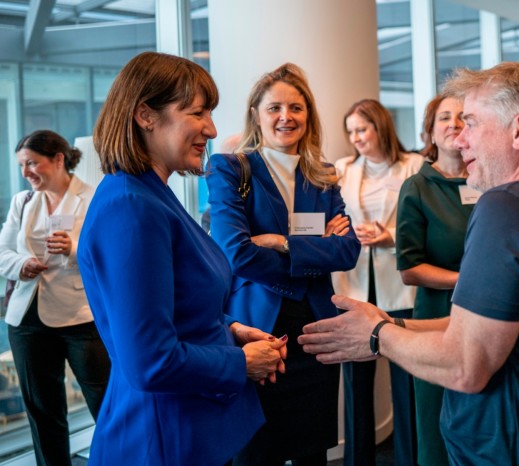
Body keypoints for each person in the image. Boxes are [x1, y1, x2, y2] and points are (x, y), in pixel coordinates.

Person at [300, 62, 519, 466]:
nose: (459, 140)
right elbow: (489, 327)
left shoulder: (506, 206)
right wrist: (393, 323)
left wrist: (376, 336)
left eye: (472, 123)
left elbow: (466, 365)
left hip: (510, 447)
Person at [77, 51, 286, 466]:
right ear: (145, 115)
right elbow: (150, 360)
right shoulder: (131, 206)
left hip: (186, 428)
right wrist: (239, 362)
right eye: (197, 113)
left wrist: (232, 329)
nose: (210, 128)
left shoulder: (149, 194)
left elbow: (173, 305)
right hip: (162, 438)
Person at [206, 63, 361, 466]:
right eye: (274, 107)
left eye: (296, 108)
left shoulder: (323, 175)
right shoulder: (231, 168)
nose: (285, 117)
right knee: (257, 453)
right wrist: (314, 250)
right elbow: (234, 252)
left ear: (308, 116)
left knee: (314, 453)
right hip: (259, 331)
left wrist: (281, 243)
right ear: (256, 113)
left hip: (315, 331)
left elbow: (348, 251)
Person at [0, 130, 110, 466]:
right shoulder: (22, 202)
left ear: (58, 159)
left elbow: (109, 254)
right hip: (26, 319)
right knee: (42, 410)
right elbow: (2, 252)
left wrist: (74, 249)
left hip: (80, 316)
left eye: (32, 163)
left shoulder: (93, 199)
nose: (26, 173)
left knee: (103, 400)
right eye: (22, 166)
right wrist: (22, 264)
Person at [333, 98, 423, 466]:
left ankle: (409, 458)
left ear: (380, 127)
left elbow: (421, 226)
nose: (355, 137)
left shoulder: (413, 166)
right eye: (350, 131)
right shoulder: (342, 169)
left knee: (406, 382)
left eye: (362, 129)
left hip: (399, 285)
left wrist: (389, 237)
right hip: (353, 285)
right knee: (356, 385)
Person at [395, 93, 476, 466]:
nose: (455, 124)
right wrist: (469, 281)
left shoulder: (490, 180)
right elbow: (410, 268)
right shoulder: (418, 187)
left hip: (492, 312)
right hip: (436, 314)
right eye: (445, 117)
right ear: (430, 130)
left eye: (464, 116)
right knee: (436, 417)